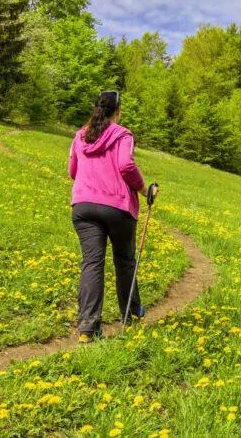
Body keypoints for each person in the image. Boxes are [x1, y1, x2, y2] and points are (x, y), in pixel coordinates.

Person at [68, 90, 147, 342]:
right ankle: (132, 314)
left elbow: (72, 170)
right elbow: (125, 165)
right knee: (124, 261)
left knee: (92, 262)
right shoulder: (122, 134)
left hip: (83, 206)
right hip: (116, 206)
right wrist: (145, 190)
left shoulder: (80, 135)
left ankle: (87, 330)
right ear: (118, 111)